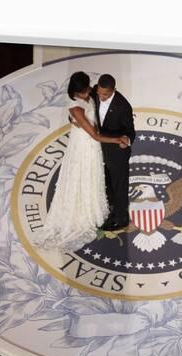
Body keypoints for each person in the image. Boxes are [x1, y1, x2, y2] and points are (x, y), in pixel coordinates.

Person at [32, 71, 129, 252]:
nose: (87, 94)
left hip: (94, 146)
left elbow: (99, 103)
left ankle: (103, 206)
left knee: (96, 176)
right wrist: (117, 140)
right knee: (84, 175)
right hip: (86, 146)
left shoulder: (93, 93)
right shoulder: (76, 107)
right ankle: (86, 211)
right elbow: (94, 134)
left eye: (85, 91)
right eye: (82, 93)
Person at [91, 74, 136, 230]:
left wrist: (126, 140)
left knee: (119, 186)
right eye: (100, 93)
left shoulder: (123, 106)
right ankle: (109, 211)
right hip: (99, 149)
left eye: (106, 95)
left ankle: (121, 218)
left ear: (113, 90)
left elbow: (131, 131)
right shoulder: (94, 93)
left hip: (117, 151)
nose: (101, 97)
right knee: (106, 183)